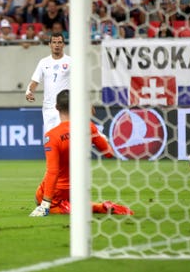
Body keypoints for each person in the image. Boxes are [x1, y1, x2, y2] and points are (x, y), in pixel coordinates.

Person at [29, 89, 132, 217]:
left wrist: (45, 204)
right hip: (77, 189)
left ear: (56, 107)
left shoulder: (52, 136)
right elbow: (109, 153)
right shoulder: (88, 127)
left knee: (38, 198)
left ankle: (70, 207)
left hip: (57, 192)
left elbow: (53, 171)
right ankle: (94, 206)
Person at [25, 33, 71, 134]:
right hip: (49, 108)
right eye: (54, 42)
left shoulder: (70, 61)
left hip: (65, 107)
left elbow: (79, 84)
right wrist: (29, 92)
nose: (57, 45)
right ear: (49, 44)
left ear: (63, 45)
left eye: (59, 42)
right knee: (50, 139)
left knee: (66, 139)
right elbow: (35, 81)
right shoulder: (43, 62)